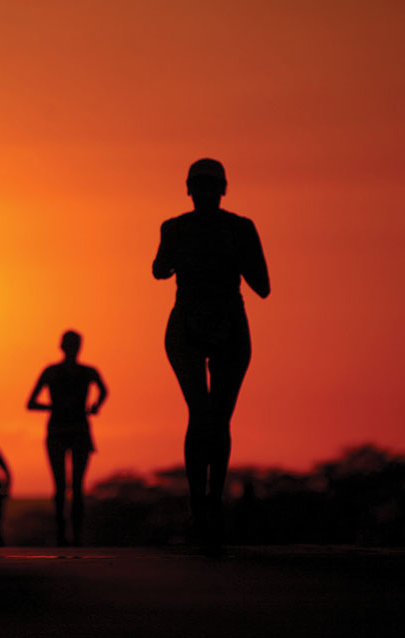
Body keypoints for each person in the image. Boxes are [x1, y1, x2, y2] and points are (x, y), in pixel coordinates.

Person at [152, 158, 270, 551]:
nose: (203, 193)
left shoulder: (233, 228)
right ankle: (202, 504)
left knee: (213, 416)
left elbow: (262, 285)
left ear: (219, 190)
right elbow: (160, 269)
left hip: (222, 322)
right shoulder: (184, 228)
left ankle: (208, 503)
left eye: (207, 186)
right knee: (206, 415)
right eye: (200, 186)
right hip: (197, 322)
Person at [28, 330, 107, 546]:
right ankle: (65, 534)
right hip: (65, 430)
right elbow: (31, 403)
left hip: (71, 430)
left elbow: (103, 391)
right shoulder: (75, 372)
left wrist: (94, 406)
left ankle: (70, 534)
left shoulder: (61, 372)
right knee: (66, 486)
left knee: (71, 486)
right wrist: (91, 406)